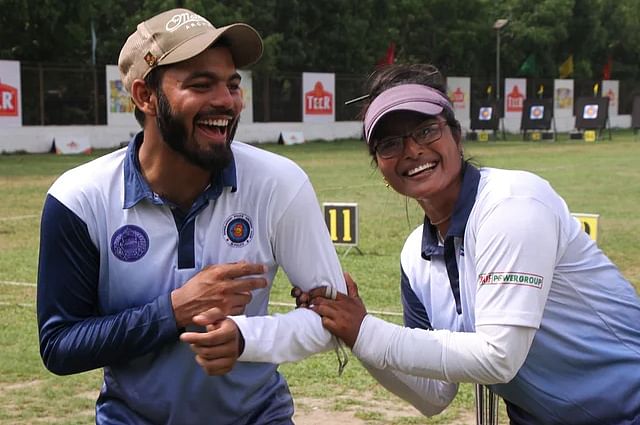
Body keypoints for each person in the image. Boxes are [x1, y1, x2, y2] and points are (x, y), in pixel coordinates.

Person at [37, 8, 346, 425]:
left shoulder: (279, 183)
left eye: (233, 84)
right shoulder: (78, 198)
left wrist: (245, 338)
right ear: (146, 96)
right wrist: (174, 310)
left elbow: (333, 319)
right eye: (201, 85)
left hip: (257, 417)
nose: (226, 101)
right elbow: (59, 345)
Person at [296, 64, 640, 424]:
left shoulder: (512, 203)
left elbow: (499, 356)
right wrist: (355, 331)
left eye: (427, 130)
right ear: (379, 166)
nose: (412, 150)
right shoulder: (415, 255)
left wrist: (367, 330)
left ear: (456, 137)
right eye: (390, 143)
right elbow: (433, 395)